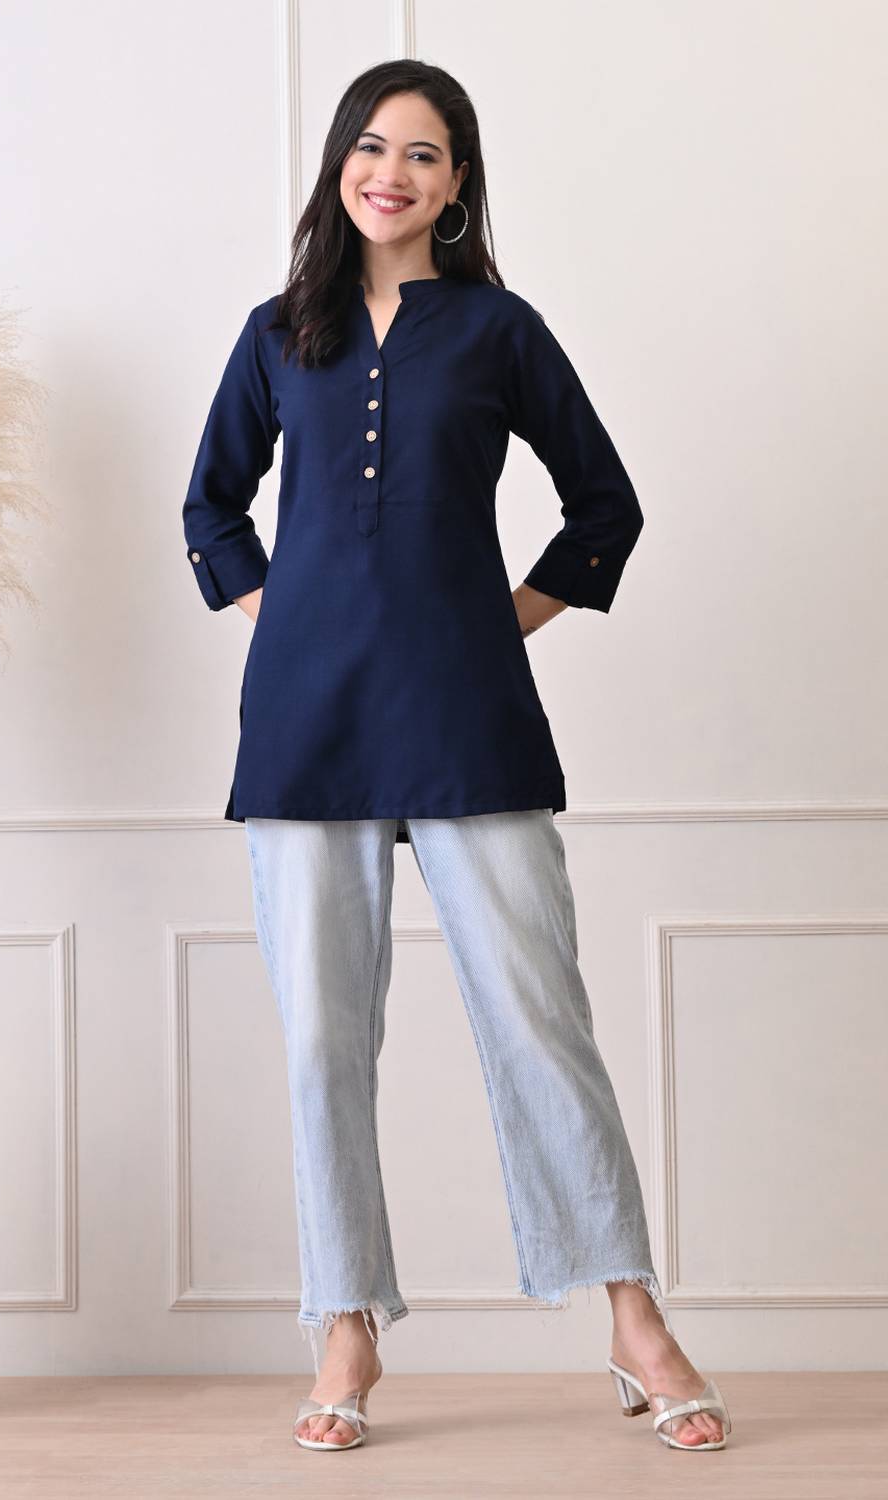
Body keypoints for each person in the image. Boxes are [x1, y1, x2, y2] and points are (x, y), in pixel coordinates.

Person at [182, 59, 732, 1455]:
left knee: (542, 1018)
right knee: (322, 1036)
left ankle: (632, 1318)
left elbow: (604, 504)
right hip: (306, 730)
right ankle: (345, 1327)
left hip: (468, 715)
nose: (394, 174)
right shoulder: (277, 335)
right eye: (373, 148)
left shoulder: (498, 330)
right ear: (340, 166)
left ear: (457, 183)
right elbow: (210, 509)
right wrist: (286, 622)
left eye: (423, 155)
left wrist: (502, 622)